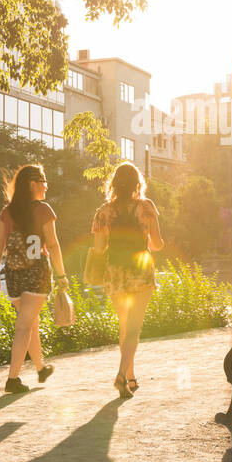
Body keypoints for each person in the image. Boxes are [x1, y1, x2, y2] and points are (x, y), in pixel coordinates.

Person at [0, 163, 69, 393]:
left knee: (30, 322)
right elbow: (53, 245)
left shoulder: (6, 212)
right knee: (25, 325)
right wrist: (62, 274)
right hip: (37, 273)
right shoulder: (43, 210)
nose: (46, 186)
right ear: (32, 184)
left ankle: (40, 368)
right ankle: (12, 379)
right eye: (43, 182)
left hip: (13, 274)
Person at [90, 162, 164, 399]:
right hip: (141, 269)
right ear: (137, 183)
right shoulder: (146, 208)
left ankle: (130, 377)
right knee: (134, 326)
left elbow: (99, 248)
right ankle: (122, 375)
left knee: (125, 326)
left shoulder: (103, 212)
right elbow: (158, 244)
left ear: (114, 183)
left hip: (115, 271)